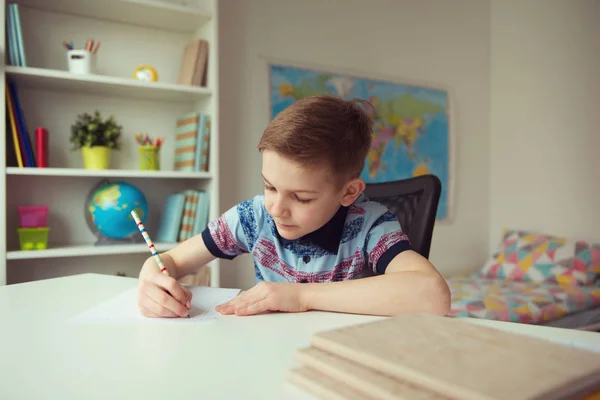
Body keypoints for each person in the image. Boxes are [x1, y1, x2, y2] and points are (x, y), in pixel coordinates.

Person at [137, 95, 451, 318]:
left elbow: (432, 295)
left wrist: (300, 296)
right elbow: (172, 260)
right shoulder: (254, 216)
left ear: (348, 192)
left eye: (301, 198)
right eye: (270, 186)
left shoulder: (371, 225)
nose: (276, 209)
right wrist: (152, 277)